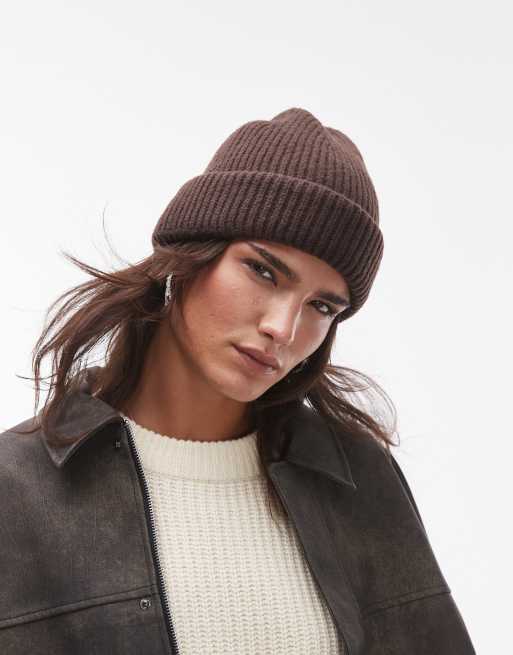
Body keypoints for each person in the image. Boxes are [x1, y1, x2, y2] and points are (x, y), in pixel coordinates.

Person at [0, 107, 475, 654]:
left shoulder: (357, 476)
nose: (283, 328)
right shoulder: (20, 489)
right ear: (190, 255)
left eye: (322, 306)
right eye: (263, 271)